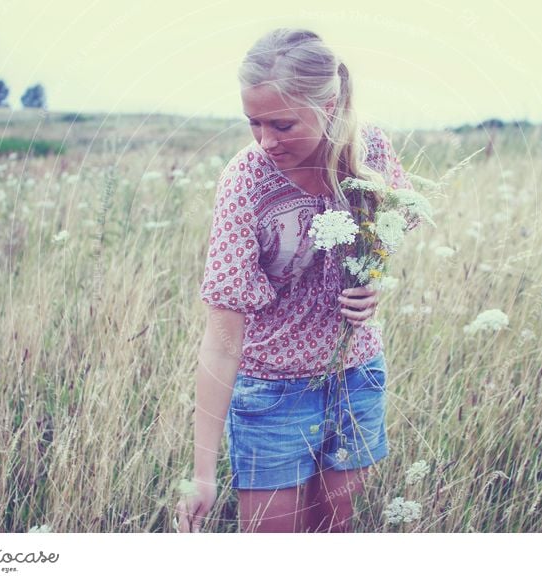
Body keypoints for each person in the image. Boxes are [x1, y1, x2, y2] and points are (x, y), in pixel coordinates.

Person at [175, 27, 416, 533]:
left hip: (357, 375)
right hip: (272, 392)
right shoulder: (246, 182)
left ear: (329, 106)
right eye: (253, 123)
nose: (266, 141)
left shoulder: (369, 149)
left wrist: (372, 277)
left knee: (336, 536)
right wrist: (202, 474)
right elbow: (222, 339)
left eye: (282, 124)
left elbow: (395, 220)